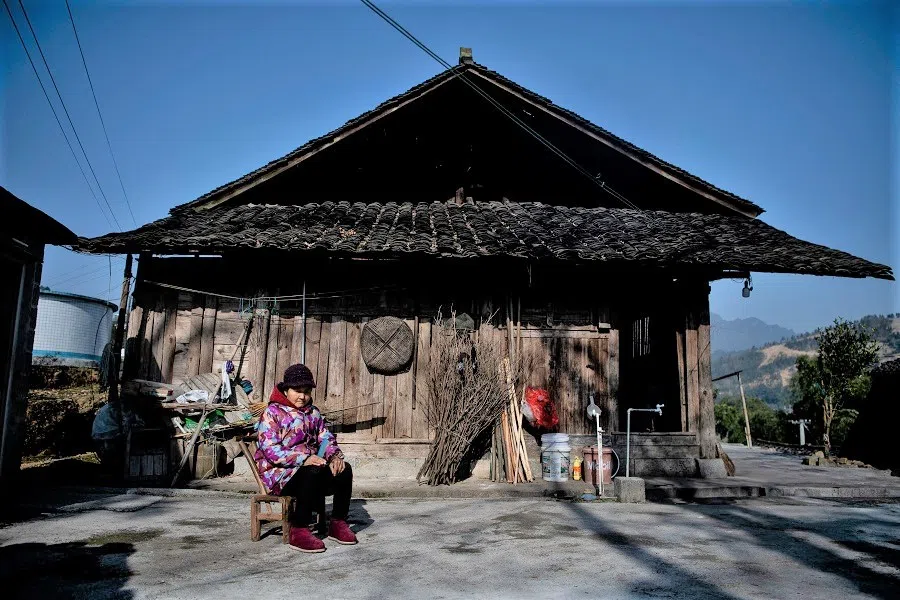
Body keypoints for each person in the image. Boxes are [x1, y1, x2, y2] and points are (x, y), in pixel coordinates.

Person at [254, 363, 358, 552]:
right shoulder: (272, 413)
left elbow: (325, 438)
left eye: (307, 391)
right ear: (286, 390)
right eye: (297, 390)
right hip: (279, 475)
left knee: (344, 470)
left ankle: (337, 523)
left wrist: (334, 456)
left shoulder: (313, 413)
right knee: (311, 471)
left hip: (311, 471)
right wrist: (303, 459)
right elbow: (270, 450)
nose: (302, 396)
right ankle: (299, 529)